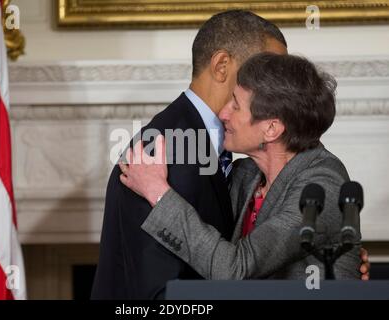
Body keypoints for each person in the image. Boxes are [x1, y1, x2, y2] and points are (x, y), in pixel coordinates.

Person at [91, 10, 290, 299]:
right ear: (222, 66)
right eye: (269, 72)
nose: (282, 90)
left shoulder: (223, 147)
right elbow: (161, 295)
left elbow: (238, 257)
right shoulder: (159, 151)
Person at [119, 53, 362, 280]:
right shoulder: (246, 173)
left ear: (271, 129)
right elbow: (207, 244)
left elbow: (235, 268)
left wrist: (157, 192)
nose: (223, 113)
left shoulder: (322, 185)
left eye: (235, 105)